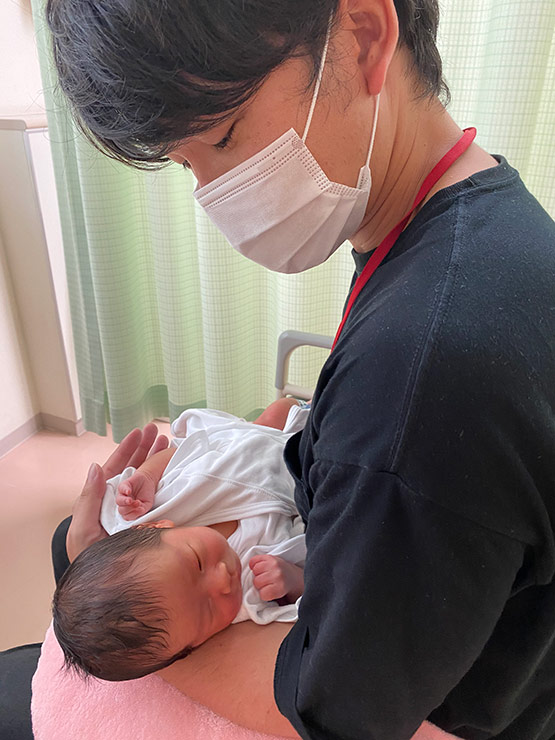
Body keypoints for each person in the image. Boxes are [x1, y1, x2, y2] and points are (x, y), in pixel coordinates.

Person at [5, 0, 555, 737]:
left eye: (222, 137)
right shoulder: (486, 226)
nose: (211, 194)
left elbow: (334, 708)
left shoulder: (423, 369)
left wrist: (129, 622)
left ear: (362, 36)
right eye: (186, 164)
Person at [52, 401, 308, 681]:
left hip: (240, 440)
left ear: (153, 527)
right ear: (192, 648)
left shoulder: (146, 510)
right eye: (208, 611)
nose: (223, 580)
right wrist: (293, 580)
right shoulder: (251, 596)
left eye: (197, 562)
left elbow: (177, 453)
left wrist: (147, 475)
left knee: (279, 410)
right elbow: (310, 595)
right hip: (303, 469)